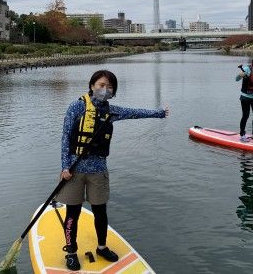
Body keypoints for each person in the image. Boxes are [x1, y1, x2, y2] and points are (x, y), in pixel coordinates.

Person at [55, 69, 169, 271]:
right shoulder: (76, 106)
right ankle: (71, 251)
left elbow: (135, 113)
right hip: (73, 170)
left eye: (109, 87)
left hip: (98, 169)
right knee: (73, 212)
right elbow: (65, 137)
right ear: (92, 86)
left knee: (100, 211)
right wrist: (65, 166)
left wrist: (159, 113)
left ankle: (102, 247)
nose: (104, 89)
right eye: (101, 85)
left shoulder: (112, 111)